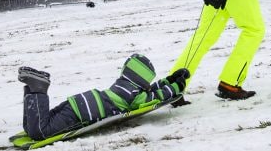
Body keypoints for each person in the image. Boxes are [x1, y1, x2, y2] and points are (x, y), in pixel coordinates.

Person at [17, 55, 188, 141]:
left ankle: (33, 88)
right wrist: (176, 86)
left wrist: (170, 79)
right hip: (82, 114)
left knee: (32, 127)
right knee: (40, 132)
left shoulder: (122, 85)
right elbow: (155, 97)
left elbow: (151, 92)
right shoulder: (133, 96)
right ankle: (38, 87)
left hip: (78, 102)